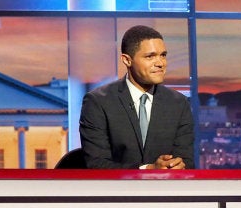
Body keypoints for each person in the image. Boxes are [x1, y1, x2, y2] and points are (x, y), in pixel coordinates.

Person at [79, 25, 194, 169]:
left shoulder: (178, 103)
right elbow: (96, 165)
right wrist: (148, 170)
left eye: (163, 55)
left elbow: (187, 162)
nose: (160, 63)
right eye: (150, 56)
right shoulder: (98, 102)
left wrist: (177, 166)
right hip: (117, 190)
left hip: (166, 189)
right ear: (127, 60)